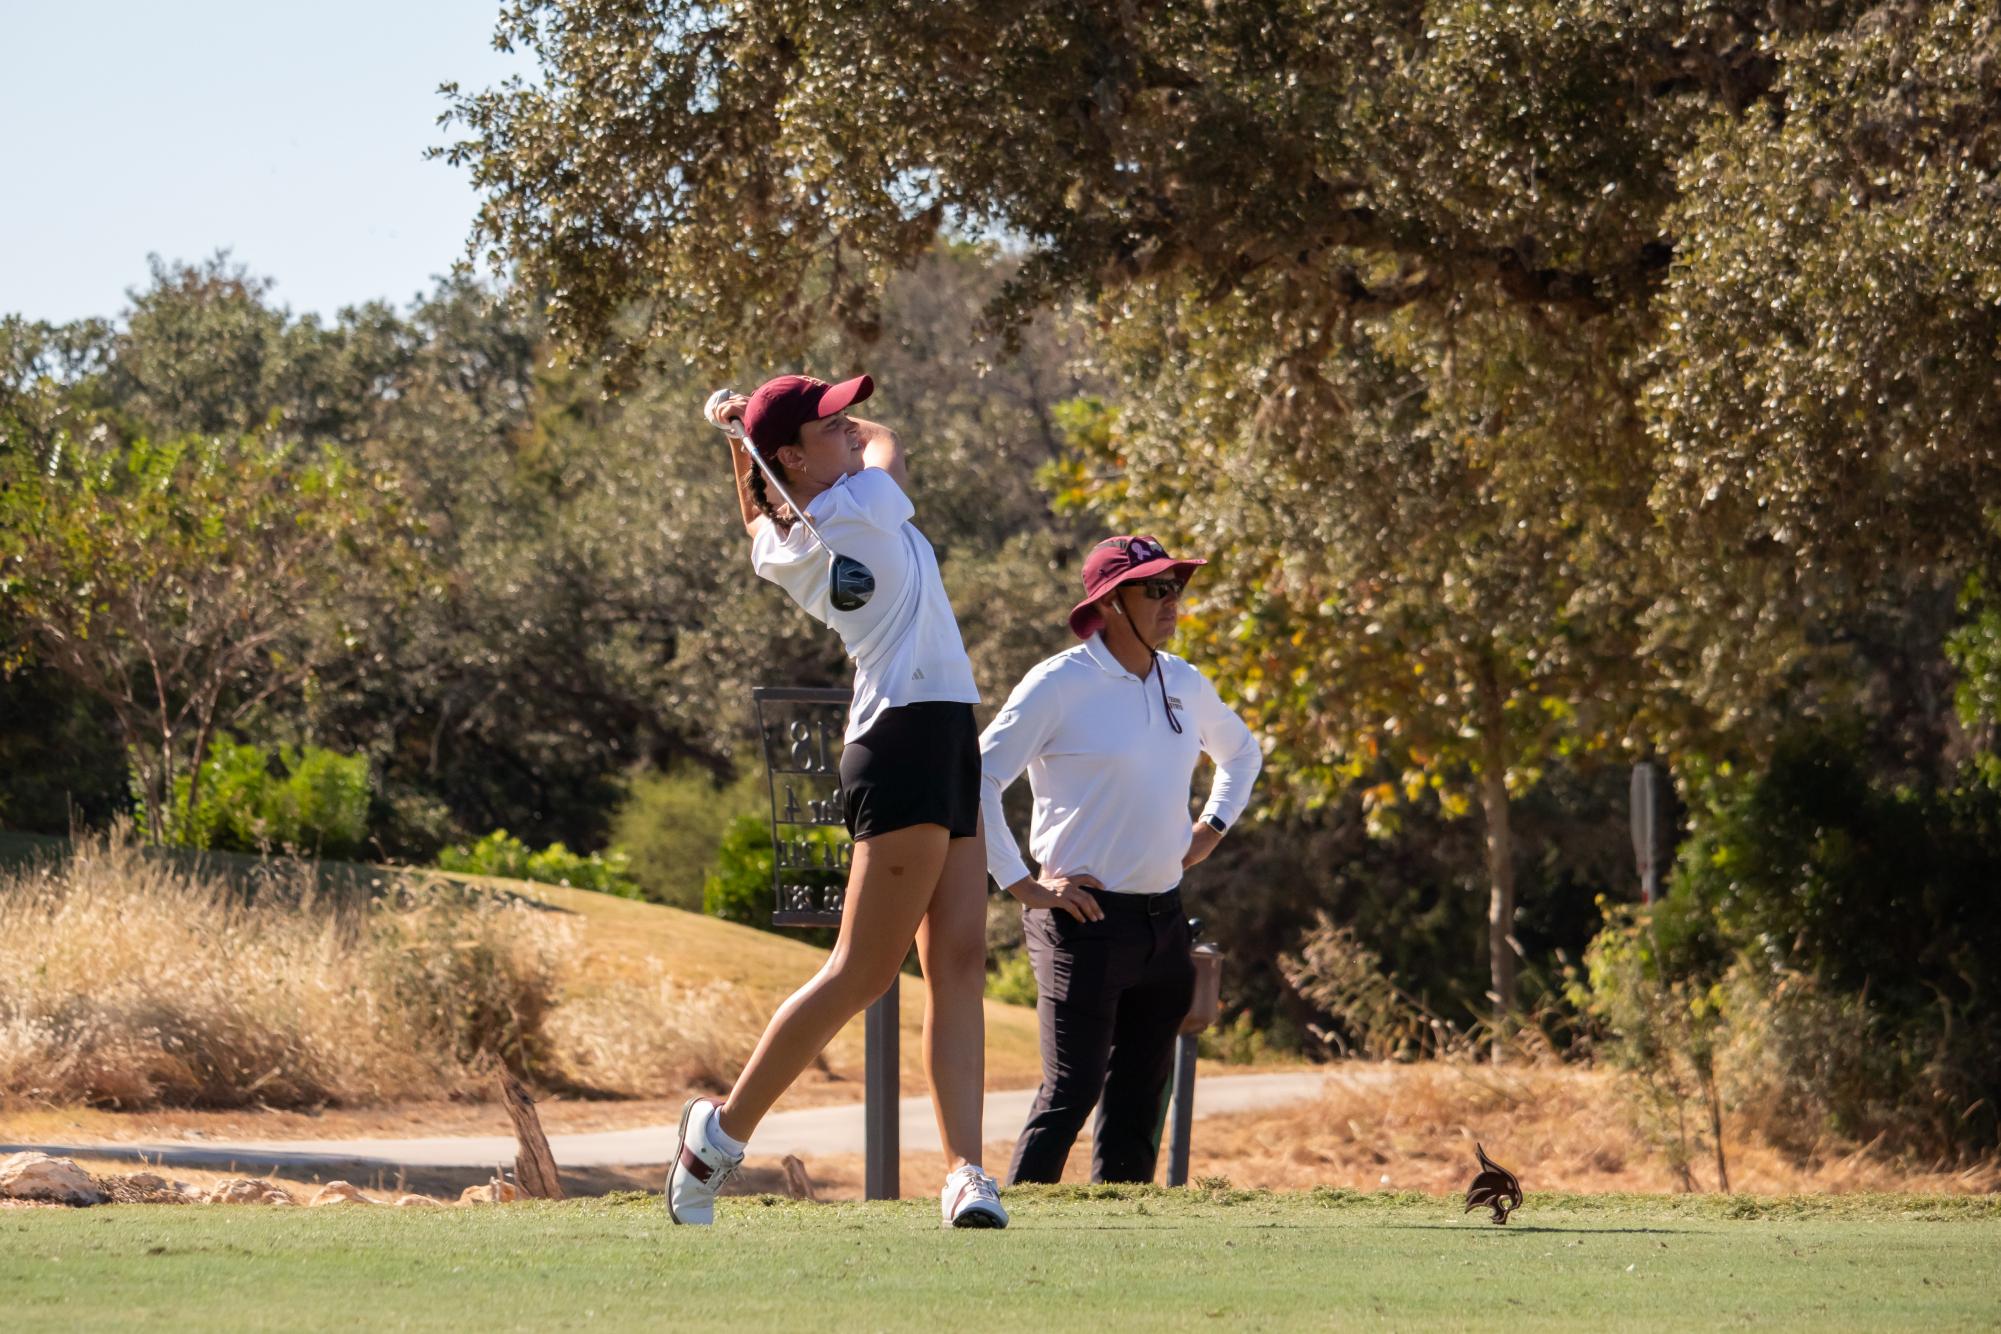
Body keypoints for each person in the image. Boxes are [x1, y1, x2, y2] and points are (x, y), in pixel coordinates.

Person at [668, 373, 1006, 1229]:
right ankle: (716, 1137)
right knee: (860, 972)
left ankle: (966, 1173)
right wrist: (753, 430)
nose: (850, 428)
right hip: (902, 740)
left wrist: (735, 439)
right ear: (791, 456)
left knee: (958, 961)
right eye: (828, 424)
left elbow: (753, 514)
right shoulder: (858, 503)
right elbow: (887, 441)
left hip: (942, 731)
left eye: (844, 417)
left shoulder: (784, 537)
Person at [980, 534, 1262, 1185]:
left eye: (1176, 588)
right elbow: (978, 776)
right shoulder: (1057, 683)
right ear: (1109, 603)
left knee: (1138, 1101)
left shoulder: (1183, 681)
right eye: (1155, 589)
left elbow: (1241, 754)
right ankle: (1006, 1242)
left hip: (1163, 920)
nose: (1172, 603)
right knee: (1069, 1094)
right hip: (1079, 923)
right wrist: (1022, 884)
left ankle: (1123, 1246)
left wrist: (1211, 829)